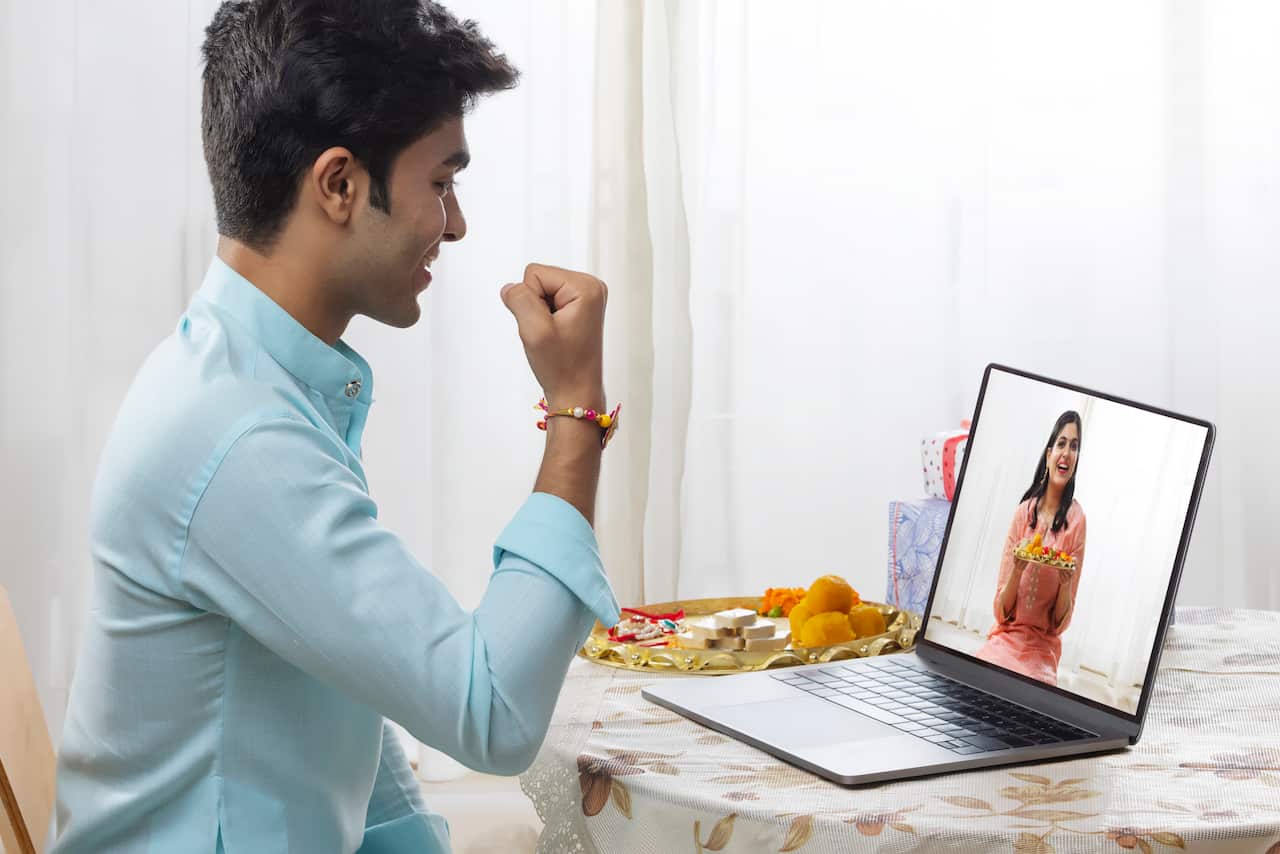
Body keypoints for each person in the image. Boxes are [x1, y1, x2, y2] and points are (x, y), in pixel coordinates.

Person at [46, 2, 620, 852]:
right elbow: (491, 712)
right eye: (441, 182)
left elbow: (341, 719)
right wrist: (575, 412)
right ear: (341, 184)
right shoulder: (237, 436)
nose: (455, 224)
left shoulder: (248, 383)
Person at [974, 411, 1087, 686]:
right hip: (1006, 638)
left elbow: (1060, 624)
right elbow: (1001, 613)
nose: (1067, 453)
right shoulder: (1023, 513)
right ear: (1049, 454)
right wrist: (1017, 570)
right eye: (1062, 443)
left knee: (1031, 699)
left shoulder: (1077, 522)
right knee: (974, 684)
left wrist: (1065, 583)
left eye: (1074, 446)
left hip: (1042, 650)